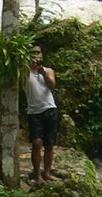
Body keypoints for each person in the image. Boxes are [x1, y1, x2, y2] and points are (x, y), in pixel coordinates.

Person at [25, 44, 58, 183]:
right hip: (34, 112)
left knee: (49, 144)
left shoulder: (48, 71)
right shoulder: (24, 72)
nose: (36, 55)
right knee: (37, 143)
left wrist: (43, 73)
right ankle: (37, 174)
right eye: (33, 53)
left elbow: (52, 86)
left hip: (50, 109)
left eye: (38, 52)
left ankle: (47, 173)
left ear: (42, 55)